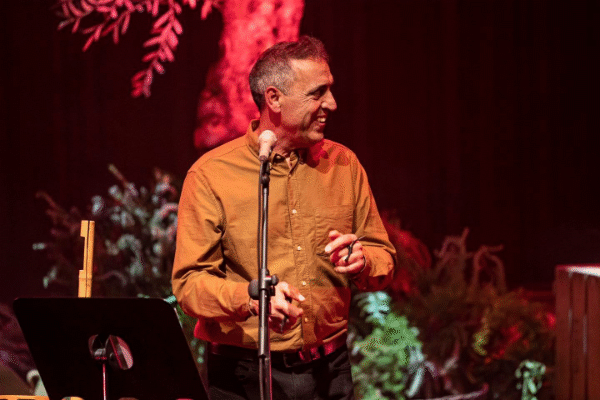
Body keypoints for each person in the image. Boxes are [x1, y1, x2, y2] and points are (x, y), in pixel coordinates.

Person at [172, 36, 396, 400]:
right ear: (274, 99)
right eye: (317, 93)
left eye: (330, 90)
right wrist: (252, 300)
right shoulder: (211, 175)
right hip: (241, 375)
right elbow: (190, 285)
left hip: (330, 371)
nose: (332, 104)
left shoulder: (344, 165)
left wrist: (364, 260)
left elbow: (383, 257)